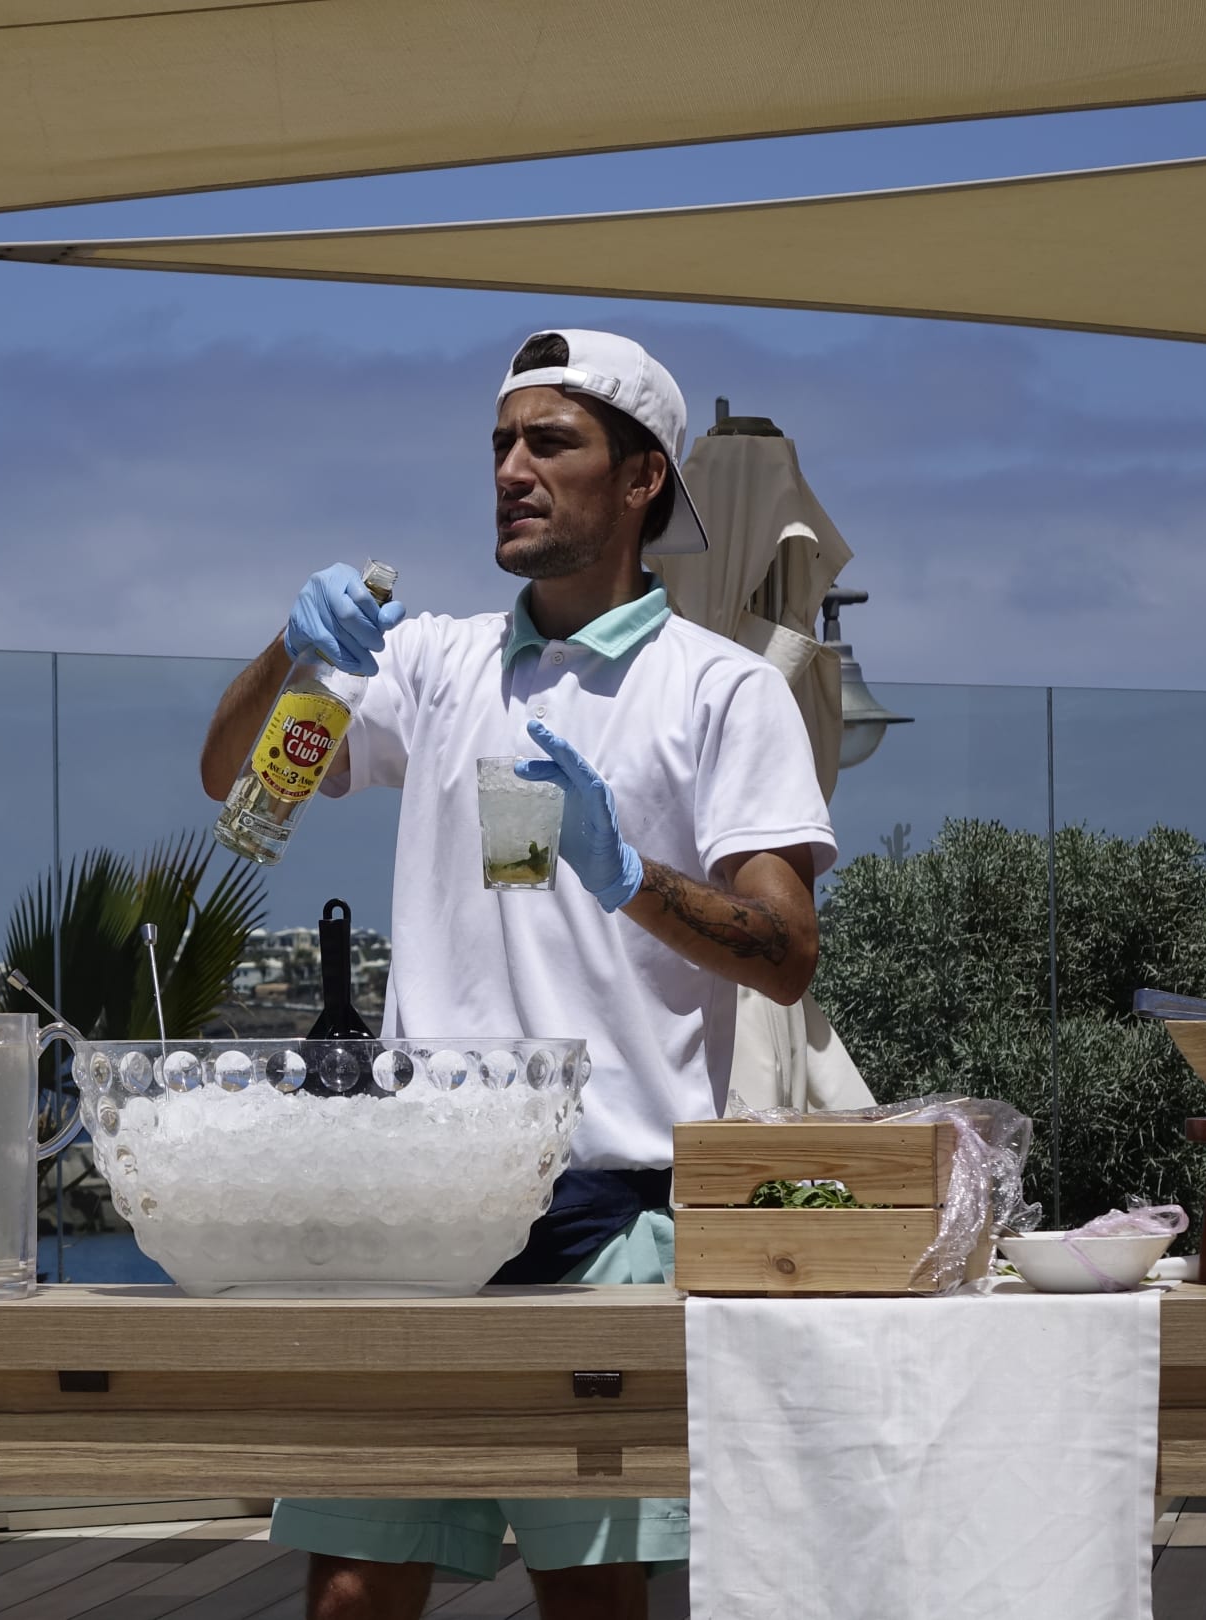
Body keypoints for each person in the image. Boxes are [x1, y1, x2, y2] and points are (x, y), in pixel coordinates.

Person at [198, 329, 835, 1620]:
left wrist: (626, 876)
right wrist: (288, 645)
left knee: (589, 1598)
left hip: (608, 1210)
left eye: (550, 441)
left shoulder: (719, 691)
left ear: (642, 479)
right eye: (500, 443)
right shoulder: (429, 663)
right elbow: (230, 776)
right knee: (349, 1595)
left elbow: (786, 955)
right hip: (414, 1204)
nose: (510, 470)